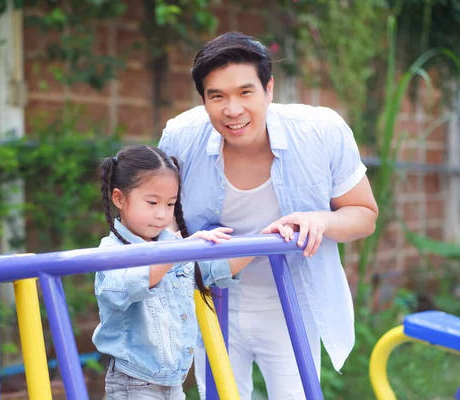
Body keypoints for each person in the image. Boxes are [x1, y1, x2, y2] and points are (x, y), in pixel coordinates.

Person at [158, 32, 379, 399]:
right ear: (203, 100)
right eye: (217, 96)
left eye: (246, 92)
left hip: (290, 301)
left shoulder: (320, 131)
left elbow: (364, 215)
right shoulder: (181, 137)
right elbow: (164, 221)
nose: (233, 110)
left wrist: (319, 220)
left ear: (269, 89)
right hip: (211, 302)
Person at [92, 144, 294, 400]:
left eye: (170, 204)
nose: (162, 214)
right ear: (119, 198)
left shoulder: (174, 246)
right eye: (152, 202)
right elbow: (131, 284)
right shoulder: (111, 251)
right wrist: (183, 249)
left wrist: (263, 239)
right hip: (133, 383)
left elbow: (216, 269)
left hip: (174, 383)